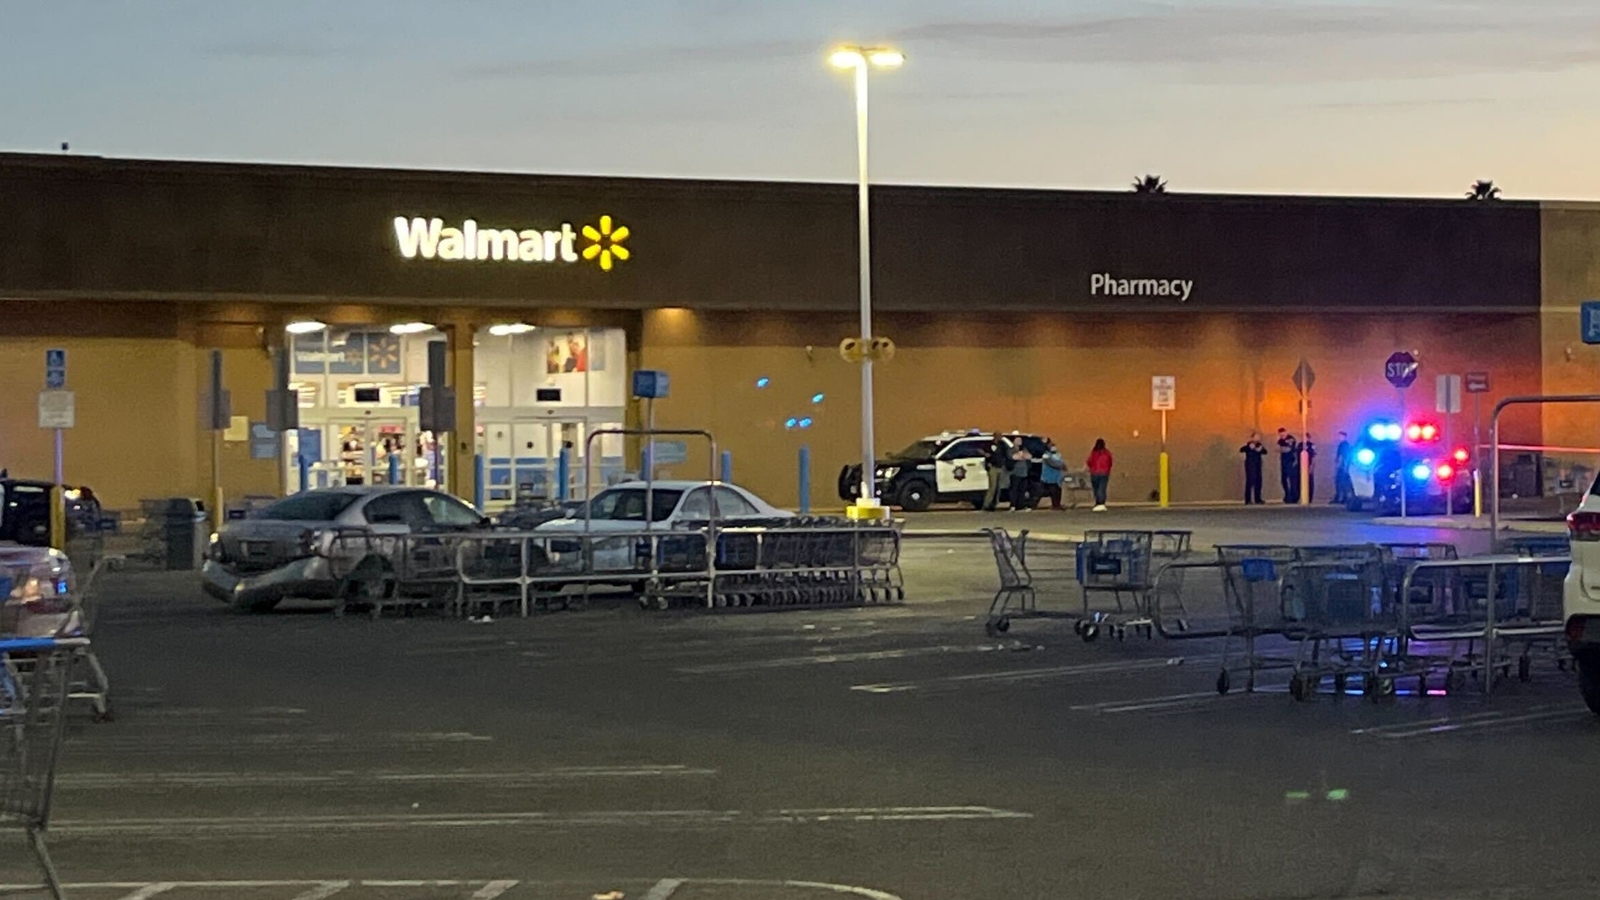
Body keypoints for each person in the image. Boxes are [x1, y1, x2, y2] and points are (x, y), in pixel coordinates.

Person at [982, 434, 1010, 512]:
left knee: (998, 488)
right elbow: (984, 453)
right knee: (992, 487)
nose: (999, 437)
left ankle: (994, 504)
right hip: (993, 467)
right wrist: (988, 461)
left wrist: (1005, 464)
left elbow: (1006, 455)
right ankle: (987, 504)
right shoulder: (989, 445)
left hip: (1000, 467)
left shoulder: (1003, 445)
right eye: (998, 436)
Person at [1086, 438, 1114, 511]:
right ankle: (1101, 503)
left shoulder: (1094, 453)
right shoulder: (1107, 453)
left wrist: (1091, 468)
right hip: (1104, 473)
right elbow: (1110, 462)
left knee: (1096, 488)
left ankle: (1098, 501)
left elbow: (1089, 461)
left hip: (1094, 473)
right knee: (1102, 488)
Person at [1239, 432, 1267, 504]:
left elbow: (1265, 452)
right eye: (1256, 437)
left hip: (1258, 465)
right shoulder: (1249, 445)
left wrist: (1260, 449)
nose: (1258, 438)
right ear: (1252, 438)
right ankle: (1248, 500)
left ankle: (1257, 499)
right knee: (1250, 482)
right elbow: (1241, 449)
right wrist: (1249, 447)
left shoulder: (1259, 445)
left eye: (1259, 437)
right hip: (1250, 465)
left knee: (1258, 481)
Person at [1039, 441, 1066, 510]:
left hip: (1057, 477)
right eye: (1052, 447)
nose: (1054, 448)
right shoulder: (1046, 455)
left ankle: (1057, 504)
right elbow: (1052, 464)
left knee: (1058, 491)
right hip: (1049, 477)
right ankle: (1054, 505)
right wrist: (1060, 465)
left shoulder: (1058, 455)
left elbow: (1063, 464)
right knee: (1052, 492)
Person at [1009, 441, 1034, 511]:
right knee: (1014, 490)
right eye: (1017, 440)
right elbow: (1013, 457)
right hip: (1015, 473)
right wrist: (1021, 456)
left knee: (1022, 490)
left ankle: (1020, 505)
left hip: (1024, 473)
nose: (1019, 442)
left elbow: (1029, 456)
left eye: (1020, 440)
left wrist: (1022, 455)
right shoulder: (1011, 449)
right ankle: (1013, 505)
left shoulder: (1024, 449)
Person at [1276, 428, 1299, 503]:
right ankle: (1287, 495)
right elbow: (1277, 448)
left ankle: (1294, 497)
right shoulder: (1280, 440)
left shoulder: (1291, 439)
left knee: (1292, 480)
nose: (1282, 436)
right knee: (1284, 479)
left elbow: (1287, 449)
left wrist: (1282, 448)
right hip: (1284, 462)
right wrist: (1282, 448)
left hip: (1291, 462)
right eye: (1280, 435)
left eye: (1283, 434)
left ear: (1286, 432)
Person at [1333, 431, 1353, 505]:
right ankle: (1342, 497)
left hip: (1342, 466)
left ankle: (1341, 497)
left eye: (1341, 436)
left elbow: (1343, 456)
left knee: (1340, 482)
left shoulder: (1343, 445)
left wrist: (1342, 465)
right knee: (1341, 482)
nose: (1339, 438)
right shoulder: (1345, 445)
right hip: (1343, 466)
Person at [1302, 433, 1318, 503]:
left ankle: (1310, 497)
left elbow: (1314, 456)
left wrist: (1312, 466)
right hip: (1302, 466)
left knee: (1310, 481)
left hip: (1309, 465)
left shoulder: (1311, 445)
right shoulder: (1301, 445)